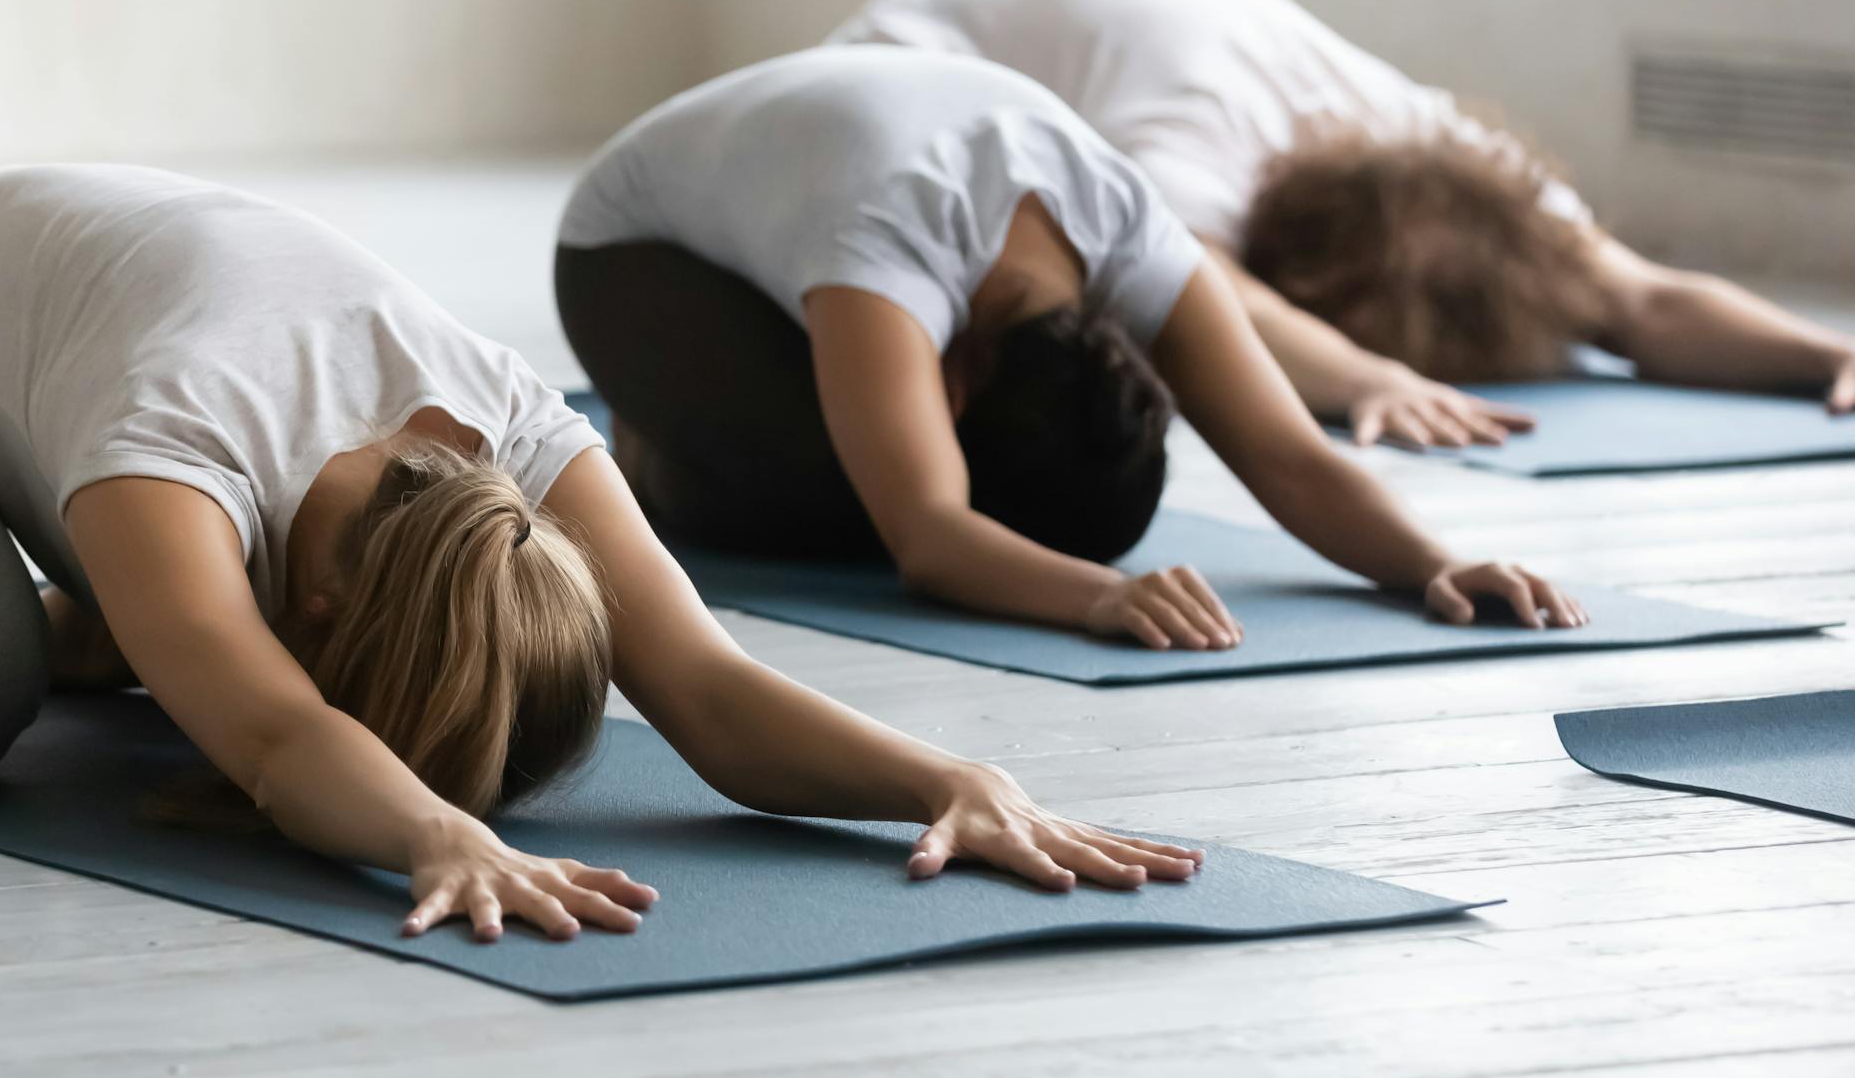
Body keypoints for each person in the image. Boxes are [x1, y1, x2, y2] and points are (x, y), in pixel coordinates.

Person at [0, 163, 1209, 942]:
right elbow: (276, 731)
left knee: (143, 650)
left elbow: (701, 680)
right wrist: (435, 832)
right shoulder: (173, 447)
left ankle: (103, 621)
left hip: (67, 336)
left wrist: (951, 779)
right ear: (311, 601)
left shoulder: (512, 433)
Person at [557, 46, 1586, 651]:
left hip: (801, 191)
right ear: (956, 381)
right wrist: (1103, 594)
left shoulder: (1127, 229)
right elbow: (928, 534)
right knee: (853, 506)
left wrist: (1439, 564)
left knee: (917, 501)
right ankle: (650, 450)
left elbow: (1289, 452)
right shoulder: (885, 254)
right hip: (635, 251)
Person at [829, 0, 1855, 447]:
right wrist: (1367, 379)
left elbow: (1643, 300)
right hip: (873, 107)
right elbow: (1214, 300)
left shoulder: (1437, 142)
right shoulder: (1201, 130)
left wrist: (1829, 356)